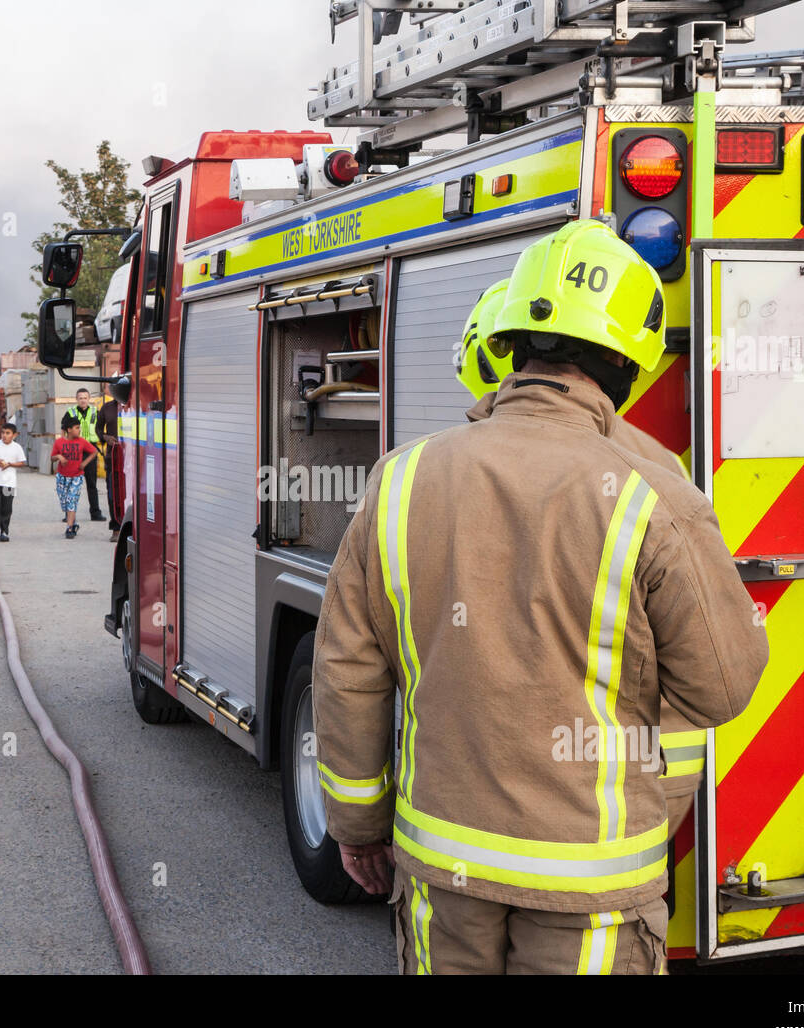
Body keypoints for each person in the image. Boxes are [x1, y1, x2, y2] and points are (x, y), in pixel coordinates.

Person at [311, 221, 769, 975]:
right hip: (589, 887)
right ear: (630, 358)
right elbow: (721, 687)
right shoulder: (657, 497)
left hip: (441, 867)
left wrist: (358, 825)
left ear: (516, 336)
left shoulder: (399, 479)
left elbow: (348, 671)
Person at [456, 279, 706, 837]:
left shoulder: (432, 475)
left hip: (523, 802)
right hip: (641, 785)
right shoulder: (659, 467)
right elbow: (709, 667)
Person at [51, 413, 97, 540]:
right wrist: (59, 457)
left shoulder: (82, 442)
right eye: (77, 427)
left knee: (72, 500)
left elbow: (94, 452)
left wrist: (84, 463)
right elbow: (52, 457)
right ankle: (74, 523)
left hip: (77, 477)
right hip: (62, 477)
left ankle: (69, 528)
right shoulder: (59, 442)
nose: (79, 430)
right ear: (69, 429)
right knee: (64, 503)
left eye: (79, 427)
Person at [67, 388, 107, 522]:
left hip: (90, 449)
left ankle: (95, 513)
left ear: (89, 399)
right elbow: (64, 431)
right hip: (74, 450)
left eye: (85, 398)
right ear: (76, 399)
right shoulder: (70, 413)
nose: (83, 400)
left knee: (92, 483)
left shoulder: (96, 412)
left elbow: (101, 429)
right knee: (72, 484)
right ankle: (69, 513)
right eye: (80, 398)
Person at [0, 423, 26, 542]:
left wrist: (10, 464)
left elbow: (22, 462)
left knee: (7, 508)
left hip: (9, 484)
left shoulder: (17, 447)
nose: (4, 436)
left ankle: (4, 532)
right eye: (3, 433)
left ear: (14, 435)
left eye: (8, 433)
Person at [95, 393, 121, 539]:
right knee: (113, 493)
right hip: (113, 457)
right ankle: (116, 527)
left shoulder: (133, 405)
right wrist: (105, 437)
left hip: (135, 456)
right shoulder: (107, 408)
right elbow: (98, 429)